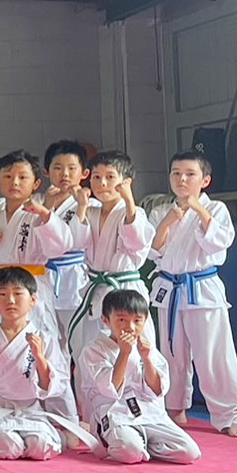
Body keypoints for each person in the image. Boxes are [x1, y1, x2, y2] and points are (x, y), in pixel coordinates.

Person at [0, 150, 83, 431]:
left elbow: (60, 246)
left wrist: (47, 215)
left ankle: (66, 421)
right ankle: (3, 412)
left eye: (22, 177)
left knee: (47, 349)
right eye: (7, 176)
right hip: (1, 290)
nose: (14, 182)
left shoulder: (38, 213)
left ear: (36, 183)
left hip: (32, 288)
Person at [149, 151, 237, 435]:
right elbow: (152, 251)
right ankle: (174, 408)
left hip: (201, 288)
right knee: (171, 354)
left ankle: (231, 413)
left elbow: (219, 244)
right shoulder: (160, 211)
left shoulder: (216, 209)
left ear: (205, 180)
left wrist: (198, 210)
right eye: (176, 173)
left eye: (190, 174)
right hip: (169, 289)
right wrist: (168, 220)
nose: (182, 179)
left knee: (214, 356)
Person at [0, 267, 97, 459]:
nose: (10, 300)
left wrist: (39, 357)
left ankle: (48, 435)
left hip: (30, 410)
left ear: (33, 300)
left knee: (41, 447)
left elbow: (53, 386)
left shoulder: (44, 339)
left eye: (18, 294)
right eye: (2, 294)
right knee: (9, 446)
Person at [80, 289, 200, 465]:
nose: (130, 327)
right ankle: (131, 445)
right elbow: (111, 388)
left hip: (149, 413)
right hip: (115, 412)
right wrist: (124, 354)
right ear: (105, 320)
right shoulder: (94, 350)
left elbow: (158, 389)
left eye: (137, 320)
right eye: (122, 320)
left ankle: (144, 447)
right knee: (129, 452)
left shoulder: (147, 348)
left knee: (189, 452)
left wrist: (147, 359)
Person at [67, 150, 152, 374]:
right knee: (89, 349)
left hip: (125, 290)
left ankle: (131, 395)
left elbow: (136, 243)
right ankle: (91, 396)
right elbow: (76, 243)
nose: (102, 183)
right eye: (96, 177)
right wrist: (82, 207)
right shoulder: (91, 211)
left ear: (126, 182)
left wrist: (129, 201)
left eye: (110, 177)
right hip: (96, 289)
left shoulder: (135, 212)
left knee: (132, 352)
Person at [42, 140, 94, 347]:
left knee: (80, 342)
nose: (64, 174)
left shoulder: (92, 205)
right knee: (50, 343)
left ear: (84, 173)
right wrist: (46, 208)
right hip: (46, 275)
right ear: (46, 172)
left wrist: (82, 207)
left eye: (72, 168)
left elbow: (81, 240)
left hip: (76, 277)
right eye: (57, 168)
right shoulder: (39, 203)